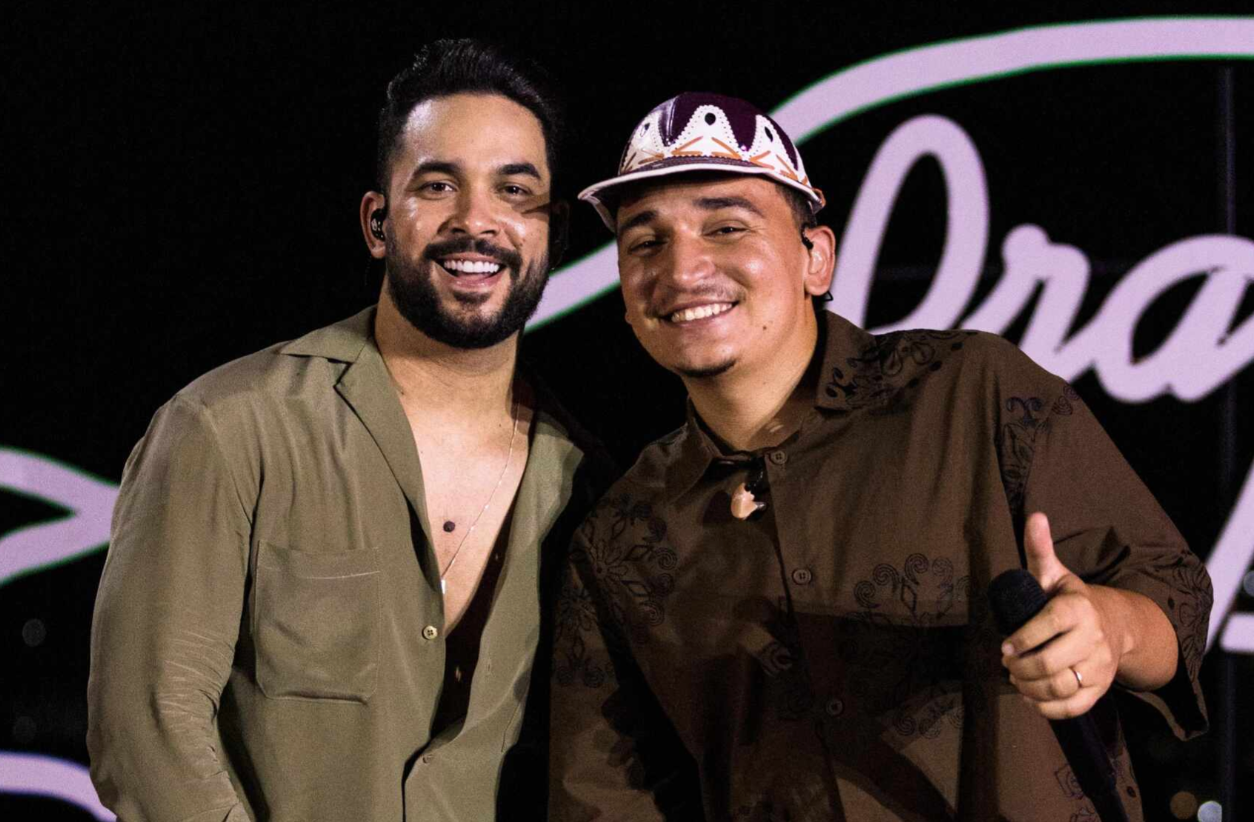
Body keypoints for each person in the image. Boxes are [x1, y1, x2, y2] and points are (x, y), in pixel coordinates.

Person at [549, 92, 1212, 821]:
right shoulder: (619, 535)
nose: (682, 269)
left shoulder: (971, 390)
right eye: (646, 242)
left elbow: (1170, 590)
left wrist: (1108, 629)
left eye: (727, 227)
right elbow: (606, 796)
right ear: (625, 294)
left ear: (816, 257)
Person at [88, 39, 605, 821]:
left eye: (514, 191)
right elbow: (145, 727)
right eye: (437, 185)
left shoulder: (586, 485)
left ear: (554, 233)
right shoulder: (228, 428)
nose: (476, 221)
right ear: (377, 222)